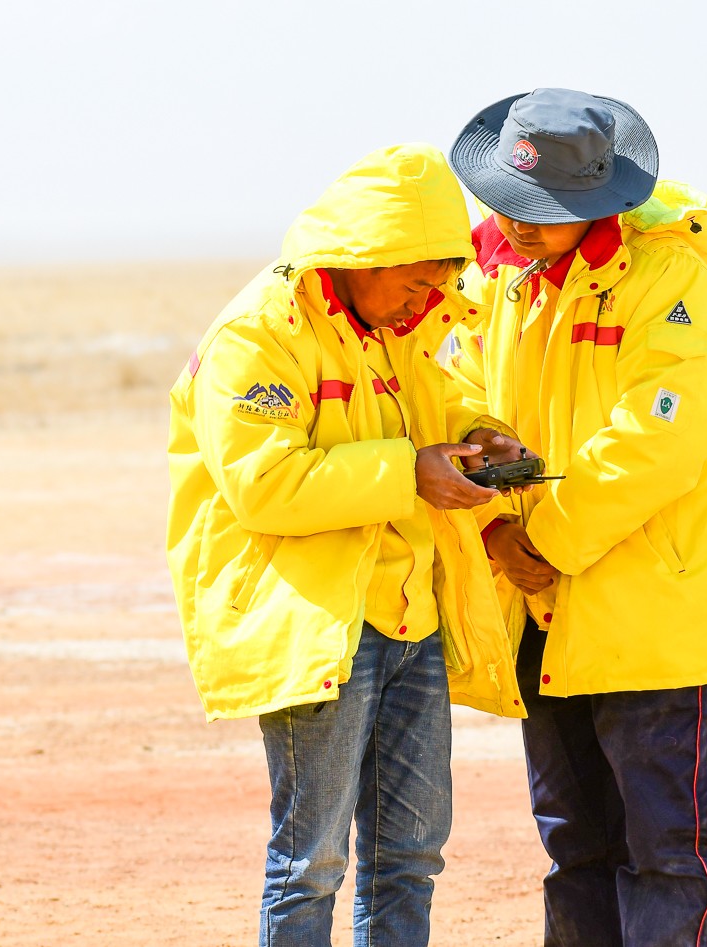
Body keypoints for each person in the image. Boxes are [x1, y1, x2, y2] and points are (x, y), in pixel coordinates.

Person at [166, 142, 532, 947]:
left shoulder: (399, 322)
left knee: (411, 854)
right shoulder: (257, 335)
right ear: (364, 255)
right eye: (415, 279)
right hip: (320, 624)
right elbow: (264, 484)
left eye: (442, 280)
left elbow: (443, 400)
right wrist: (411, 472)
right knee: (312, 861)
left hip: (412, 619)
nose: (427, 297)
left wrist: (480, 437)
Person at [445, 89, 707, 947]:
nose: (524, 224)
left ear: (601, 199)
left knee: (668, 852)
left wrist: (543, 537)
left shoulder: (669, 283)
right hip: (538, 609)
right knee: (575, 846)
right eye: (512, 202)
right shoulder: (490, 278)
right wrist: (494, 533)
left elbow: (656, 442)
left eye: (548, 211)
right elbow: (452, 394)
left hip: (649, 613)